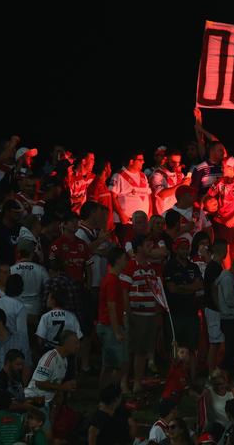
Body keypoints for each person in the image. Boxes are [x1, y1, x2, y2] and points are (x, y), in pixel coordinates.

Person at [119, 235, 163, 393]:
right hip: (135, 314)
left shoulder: (152, 268)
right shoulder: (130, 266)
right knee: (129, 350)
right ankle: (124, 382)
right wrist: (128, 313)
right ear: (138, 248)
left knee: (143, 350)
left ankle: (137, 381)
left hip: (150, 315)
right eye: (147, 244)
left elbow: (157, 292)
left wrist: (157, 312)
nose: (151, 246)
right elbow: (124, 291)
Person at [25, 330, 80, 433]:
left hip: (46, 402)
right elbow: (39, 383)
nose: (78, 346)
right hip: (34, 399)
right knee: (47, 436)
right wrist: (63, 387)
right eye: (75, 343)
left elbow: (56, 385)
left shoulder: (64, 360)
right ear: (65, 343)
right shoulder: (50, 358)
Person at [96, 247, 130, 392]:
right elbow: (111, 307)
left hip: (109, 325)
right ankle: (108, 392)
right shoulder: (112, 281)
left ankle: (108, 392)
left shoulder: (112, 279)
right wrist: (117, 331)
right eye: (124, 259)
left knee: (111, 364)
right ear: (117, 260)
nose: (126, 262)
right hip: (110, 327)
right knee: (115, 364)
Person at [164, 237, 203, 356]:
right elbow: (172, 288)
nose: (185, 251)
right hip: (175, 314)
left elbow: (200, 285)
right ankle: (175, 374)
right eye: (182, 249)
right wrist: (191, 288)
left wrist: (182, 287)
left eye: (187, 249)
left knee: (192, 349)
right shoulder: (169, 266)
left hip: (192, 313)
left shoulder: (193, 267)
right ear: (176, 250)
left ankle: (192, 375)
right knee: (175, 349)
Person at [0, 308, 32, 390]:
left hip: (12, 389)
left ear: (0, 322)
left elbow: (27, 364)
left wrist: (22, 387)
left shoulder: (19, 339)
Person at [109, 151, 151, 231]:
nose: (143, 162)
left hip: (142, 223)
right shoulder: (119, 175)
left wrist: (150, 213)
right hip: (126, 223)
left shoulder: (143, 176)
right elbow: (112, 196)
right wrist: (121, 215)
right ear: (131, 161)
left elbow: (148, 195)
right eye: (140, 160)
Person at [203, 239, 228, 372]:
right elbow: (214, 289)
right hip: (214, 309)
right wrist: (220, 307)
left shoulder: (216, 266)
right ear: (222, 251)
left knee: (217, 342)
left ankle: (214, 370)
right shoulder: (214, 267)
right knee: (214, 343)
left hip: (215, 308)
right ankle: (211, 372)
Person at [0, 349, 32, 415]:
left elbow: (19, 398)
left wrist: (30, 400)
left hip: (15, 418)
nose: (21, 367)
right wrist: (25, 406)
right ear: (8, 363)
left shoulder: (17, 377)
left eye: (22, 364)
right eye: (18, 364)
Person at [150, 149, 190, 215]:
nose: (176, 165)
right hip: (163, 216)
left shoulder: (180, 175)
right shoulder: (157, 174)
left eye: (178, 162)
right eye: (173, 162)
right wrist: (181, 185)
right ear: (165, 159)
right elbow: (161, 194)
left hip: (179, 214)